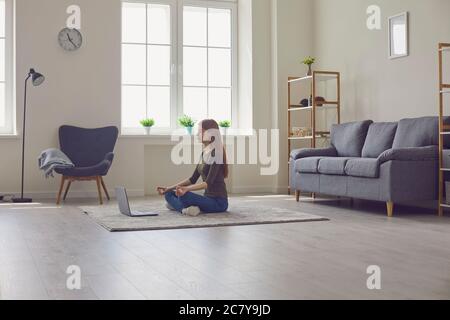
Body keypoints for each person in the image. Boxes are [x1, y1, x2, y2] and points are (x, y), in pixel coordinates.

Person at [157, 119, 229, 217]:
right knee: (169, 194)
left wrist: (186, 189)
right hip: (207, 198)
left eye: (200, 131)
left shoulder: (217, 153)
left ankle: (180, 208)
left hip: (219, 203)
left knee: (184, 196)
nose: (196, 134)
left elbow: (207, 183)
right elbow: (192, 179)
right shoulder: (204, 153)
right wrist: (169, 188)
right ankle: (185, 208)